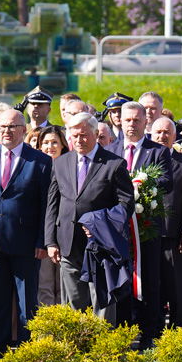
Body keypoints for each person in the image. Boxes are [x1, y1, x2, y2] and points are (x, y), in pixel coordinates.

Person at [0, 108, 52, 362]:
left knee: (27, 304)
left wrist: (42, 241)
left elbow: (46, 205)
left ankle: (28, 354)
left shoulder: (40, 161)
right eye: (2, 127)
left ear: (23, 130)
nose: (6, 131)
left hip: (26, 244)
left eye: (12, 127)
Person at [45, 112, 134, 323]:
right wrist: (50, 241)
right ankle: (77, 343)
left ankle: (102, 343)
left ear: (95, 134)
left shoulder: (114, 164)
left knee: (101, 302)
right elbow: (53, 204)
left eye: (84, 135)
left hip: (100, 244)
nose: (79, 140)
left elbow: (126, 205)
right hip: (68, 243)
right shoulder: (61, 163)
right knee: (73, 303)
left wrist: (97, 222)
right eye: (74, 135)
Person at [115, 101, 172, 349]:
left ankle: (149, 333)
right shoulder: (111, 148)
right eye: (127, 120)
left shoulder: (157, 151)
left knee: (148, 280)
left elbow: (166, 182)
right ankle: (123, 332)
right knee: (121, 280)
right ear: (120, 121)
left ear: (145, 121)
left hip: (146, 228)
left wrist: (142, 185)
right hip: (118, 230)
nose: (132, 124)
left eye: (137, 120)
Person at [150, 117, 182, 328]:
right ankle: (155, 328)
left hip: (174, 234)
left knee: (176, 285)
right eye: (158, 132)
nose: (162, 136)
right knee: (154, 284)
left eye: (166, 132)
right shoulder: (144, 160)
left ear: (174, 136)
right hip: (148, 233)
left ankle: (177, 327)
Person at [36, 126, 69, 307]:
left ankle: (65, 323)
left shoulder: (72, 166)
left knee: (65, 286)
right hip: (42, 235)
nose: (50, 147)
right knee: (45, 284)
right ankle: (47, 323)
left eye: (54, 142)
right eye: (46, 143)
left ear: (63, 145)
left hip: (66, 234)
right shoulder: (35, 168)